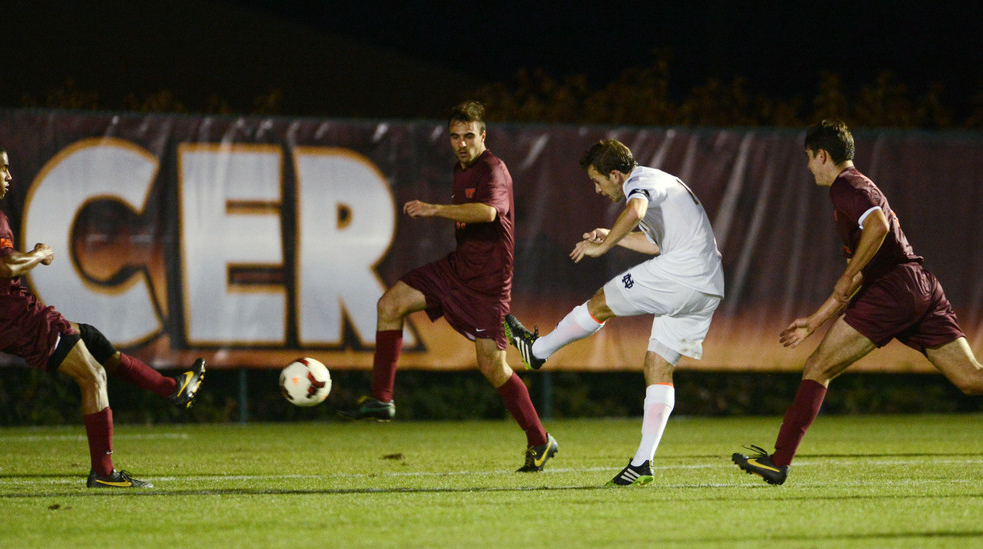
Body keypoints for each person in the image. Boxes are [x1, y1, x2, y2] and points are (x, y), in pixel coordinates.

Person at [732, 119, 983, 485]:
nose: (808, 166)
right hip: (921, 285)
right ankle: (778, 460)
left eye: (809, 157)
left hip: (895, 288)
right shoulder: (859, 186)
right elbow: (861, 270)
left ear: (822, 155)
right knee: (972, 379)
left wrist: (847, 275)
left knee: (818, 367)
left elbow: (878, 228)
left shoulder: (845, 185)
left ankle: (779, 461)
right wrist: (814, 321)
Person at [0, 139, 205, 489]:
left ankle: (171, 388)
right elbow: (6, 265)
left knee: (88, 336)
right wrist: (39, 253)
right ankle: (104, 473)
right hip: (15, 316)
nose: (10, 176)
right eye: (4, 168)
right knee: (94, 377)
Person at [338, 101, 558, 472]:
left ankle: (540, 440)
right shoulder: (461, 169)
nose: (461, 144)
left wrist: (434, 209)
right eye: (455, 137)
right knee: (390, 304)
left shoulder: (493, 169)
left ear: (483, 135)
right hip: (456, 270)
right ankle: (382, 399)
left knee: (492, 366)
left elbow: (488, 212)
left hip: (487, 285)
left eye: (469, 136)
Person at [505, 138, 724, 486]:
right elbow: (654, 242)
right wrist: (613, 235)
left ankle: (538, 351)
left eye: (598, 181)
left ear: (617, 175)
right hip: (707, 284)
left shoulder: (640, 180)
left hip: (683, 274)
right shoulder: (660, 182)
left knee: (600, 302)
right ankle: (643, 463)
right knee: (658, 366)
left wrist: (603, 247)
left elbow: (634, 211)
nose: (597, 190)